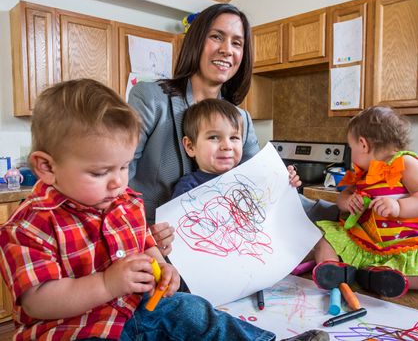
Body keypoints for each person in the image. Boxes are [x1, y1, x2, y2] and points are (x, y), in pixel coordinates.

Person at [0, 79, 316, 340]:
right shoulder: (28, 225)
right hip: (73, 330)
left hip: (140, 312)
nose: (117, 182)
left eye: (124, 167)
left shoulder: (127, 202)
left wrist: (164, 269)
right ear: (46, 166)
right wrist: (108, 283)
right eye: (99, 172)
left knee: (194, 311)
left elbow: (147, 247)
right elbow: (38, 301)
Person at [127, 3, 259, 257]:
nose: (226, 49)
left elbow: (260, 184)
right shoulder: (150, 98)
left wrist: (333, 209)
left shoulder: (241, 118)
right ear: (197, 41)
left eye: (237, 43)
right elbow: (116, 182)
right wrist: (143, 234)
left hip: (216, 252)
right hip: (147, 249)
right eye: (216, 36)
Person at [311, 106, 418, 298]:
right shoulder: (362, 172)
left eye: (350, 147)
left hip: (406, 244)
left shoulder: (405, 164)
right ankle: (334, 269)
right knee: (324, 236)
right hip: (363, 242)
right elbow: (342, 197)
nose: (351, 153)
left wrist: (399, 206)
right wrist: (348, 201)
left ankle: (377, 277)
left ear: (363, 145)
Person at [172, 98, 301, 198]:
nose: (227, 146)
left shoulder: (252, 179)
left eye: (234, 138)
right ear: (190, 146)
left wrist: (286, 184)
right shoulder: (187, 188)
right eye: (214, 137)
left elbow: (273, 206)